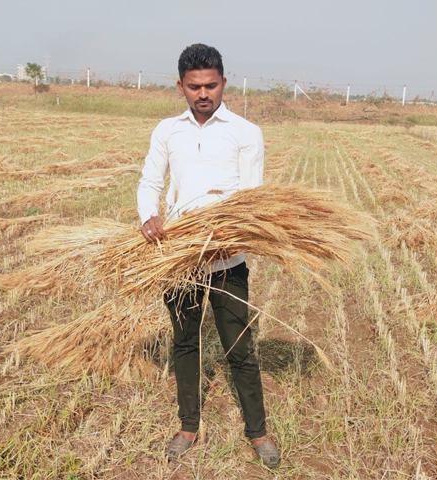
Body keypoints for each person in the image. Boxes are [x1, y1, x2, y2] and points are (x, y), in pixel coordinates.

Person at [136, 43, 280, 469]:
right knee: (185, 341)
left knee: (240, 346)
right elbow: (149, 181)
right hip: (178, 259)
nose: (204, 94)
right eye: (195, 86)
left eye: (211, 85)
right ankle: (188, 425)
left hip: (228, 260)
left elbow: (252, 200)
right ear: (180, 86)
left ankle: (258, 432)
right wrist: (150, 216)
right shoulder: (167, 131)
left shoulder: (245, 132)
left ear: (224, 82)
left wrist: (236, 238)